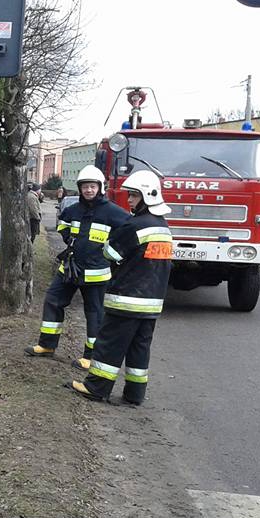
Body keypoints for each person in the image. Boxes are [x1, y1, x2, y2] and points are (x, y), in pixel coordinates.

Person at [71, 170, 172, 405]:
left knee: (109, 345)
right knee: (139, 349)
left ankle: (95, 388)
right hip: (152, 302)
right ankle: (134, 395)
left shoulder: (135, 225)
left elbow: (110, 253)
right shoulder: (163, 227)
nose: (129, 201)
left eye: (134, 196)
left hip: (127, 299)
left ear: (147, 196)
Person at [24, 165, 130, 369]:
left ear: (100, 187)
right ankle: (46, 345)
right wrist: (70, 239)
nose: (89, 190)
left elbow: (128, 233)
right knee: (53, 301)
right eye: (85, 187)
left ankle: (91, 357)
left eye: (92, 186)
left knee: (94, 314)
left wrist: (113, 252)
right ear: (80, 188)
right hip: (70, 269)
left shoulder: (114, 212)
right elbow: (62, 225)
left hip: (96, 274)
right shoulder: (72, 210)